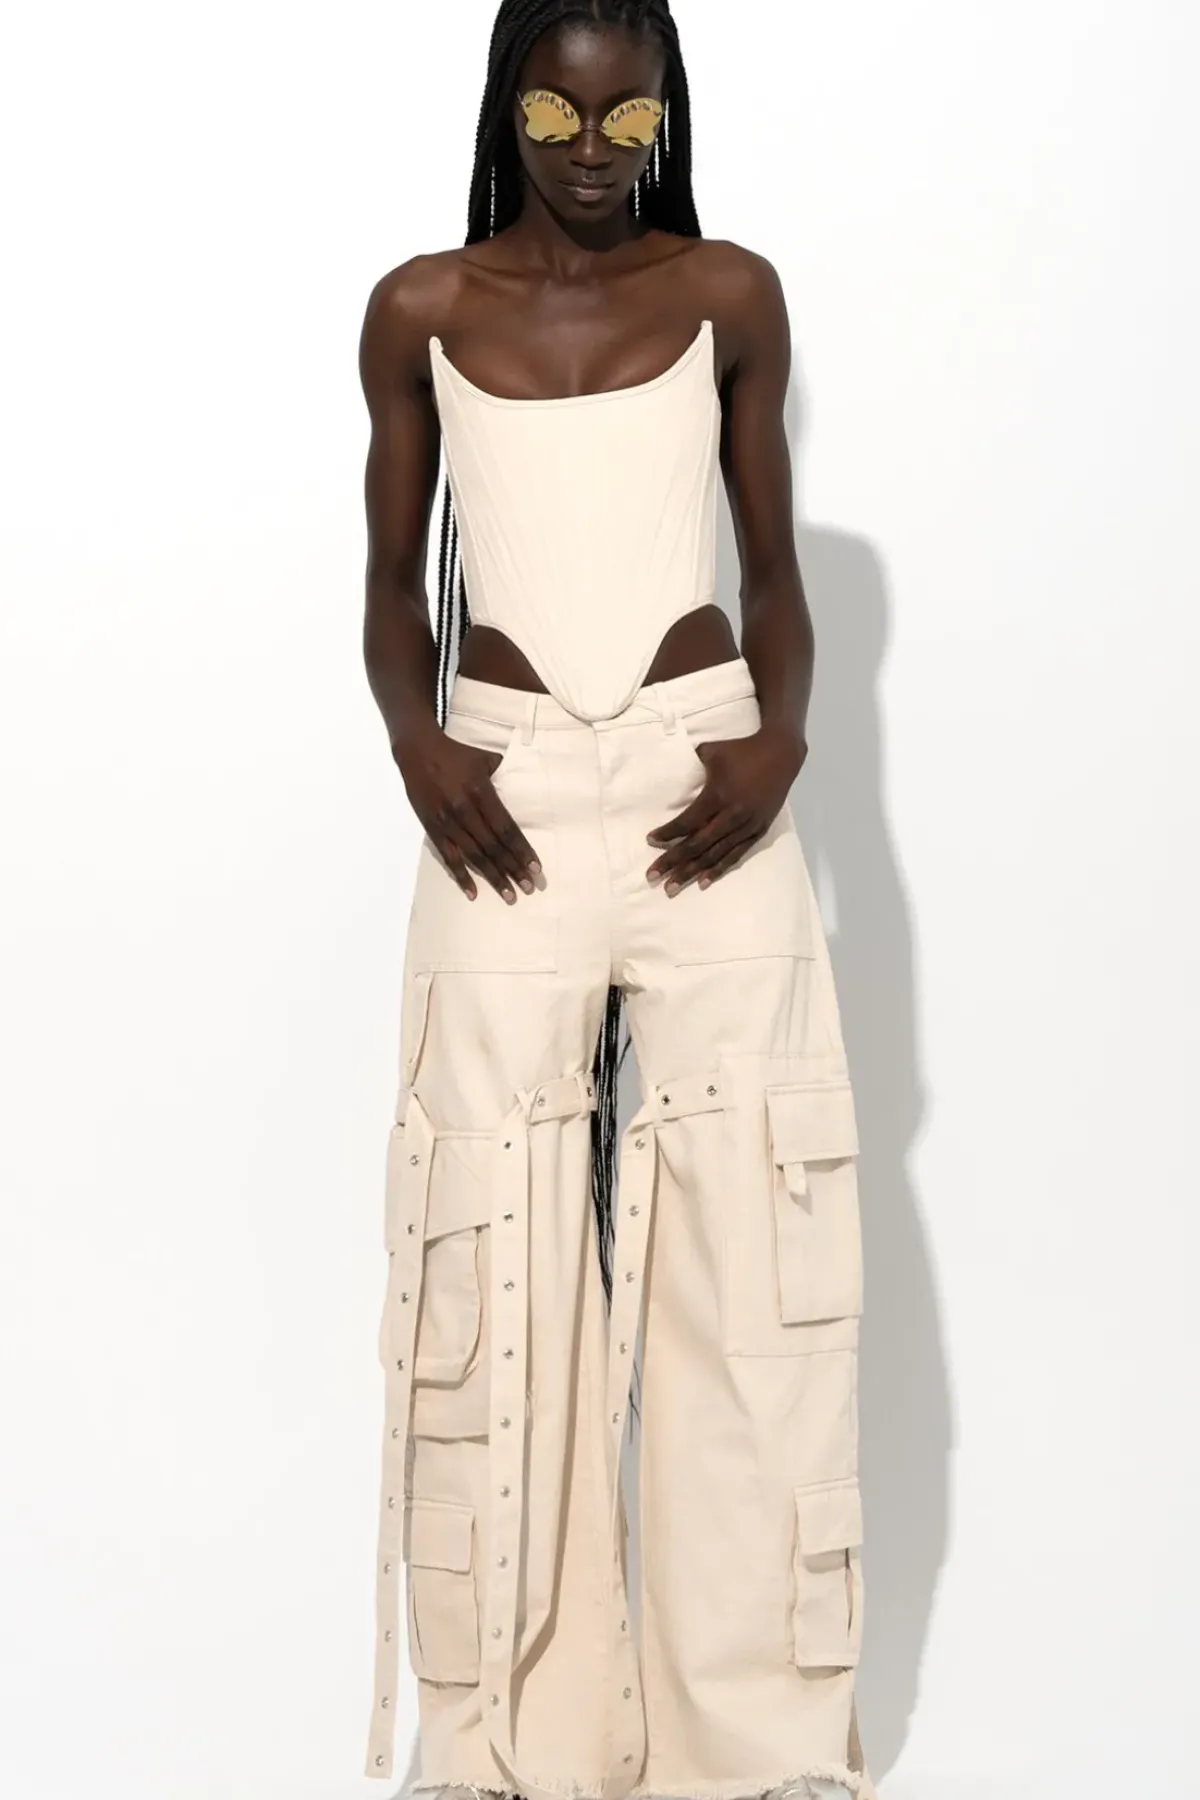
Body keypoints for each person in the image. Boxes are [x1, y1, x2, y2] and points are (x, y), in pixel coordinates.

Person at [356, 4, 875, 1799]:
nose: (594, 151)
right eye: (560, 114)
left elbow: (776, 571)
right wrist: (419, 746)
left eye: (629, 119)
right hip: (496, 789)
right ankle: (504, 1746)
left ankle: (764, 1750)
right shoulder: (420, 309)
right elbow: (387, 582)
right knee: (485, 1238)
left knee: (756, 1242)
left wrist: (782, 740)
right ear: (510, 107)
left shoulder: (729, 294)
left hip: (702, 783)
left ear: (666, 117)